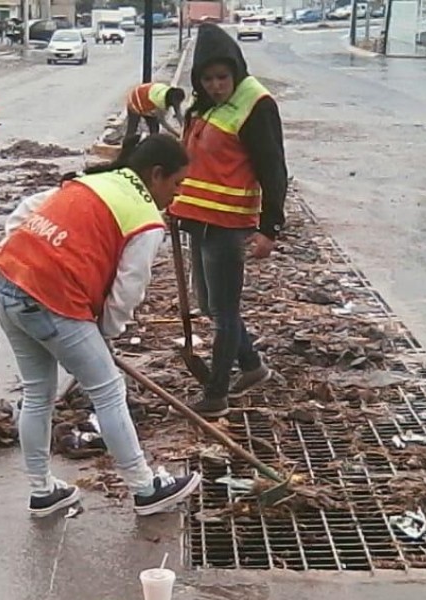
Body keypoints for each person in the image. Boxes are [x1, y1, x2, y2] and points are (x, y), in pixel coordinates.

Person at [0, 134, 202, 518]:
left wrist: (28, 258)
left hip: (8, 283)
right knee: (108, 391)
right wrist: (106, 334)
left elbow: (25, 212)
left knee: (38, 393)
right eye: (177, 184)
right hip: (54, 300)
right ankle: (144, 487)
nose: (177, 194)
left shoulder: (93, 180)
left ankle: (42, 491)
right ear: (156, 175)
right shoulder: (145, 218)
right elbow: (128, 289)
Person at [168, 23, 287, 418]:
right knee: (211, 306)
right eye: (208, 78)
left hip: (229, 224)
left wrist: (269, 228)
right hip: (197, 220)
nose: (217, 85)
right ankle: (252, 367)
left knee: (223, 311)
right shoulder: (203, 106)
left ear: (236, 71)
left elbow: (274, 169)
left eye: (223, 77)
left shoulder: (256, 105)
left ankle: (216, 394)